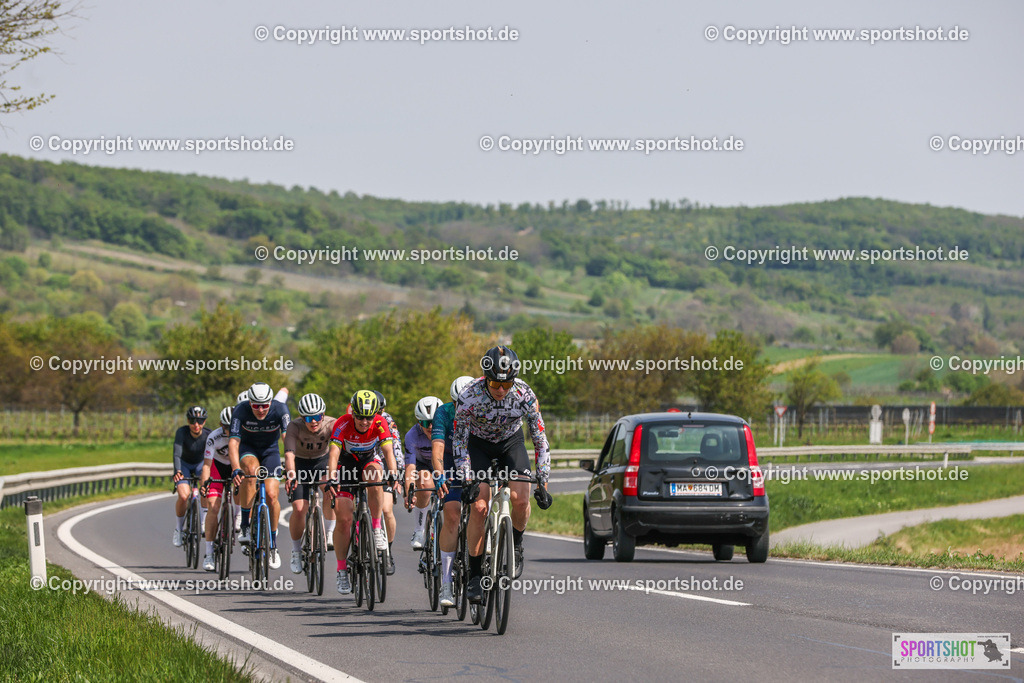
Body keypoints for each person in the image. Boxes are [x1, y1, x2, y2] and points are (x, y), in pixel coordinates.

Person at [454, 347, 553, 604]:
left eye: (506, 383)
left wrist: (543, 480)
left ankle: (516, 544)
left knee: (521, 499)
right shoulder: (469, 396)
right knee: (479, 507)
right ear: (486, 378)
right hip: (478, 445)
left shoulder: (524, 394)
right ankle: (475, 575)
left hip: (511, 442)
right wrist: (467, 479)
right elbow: (460, 441)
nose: (500, 389)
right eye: (495, 383)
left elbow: (539, 438)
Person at [327, 389, 396, 594]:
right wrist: (331, 478)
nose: (365, 422)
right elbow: (333, 454)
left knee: (376, 476)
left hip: (368, 462)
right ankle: (341, 570)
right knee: (344, 519)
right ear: (353, 413)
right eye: (360, 417)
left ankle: (376, 527)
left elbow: (388, 451)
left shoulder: (380, 423)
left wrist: (393, 473)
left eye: (369, 417)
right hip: (346, 467)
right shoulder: (342, 423)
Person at [229, 382, 290, 570]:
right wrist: (235, 468)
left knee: (272, 495)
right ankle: (245, 525)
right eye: (256, 405)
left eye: (265, 405)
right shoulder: (240, 410)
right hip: (248, 449)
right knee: (251, 471)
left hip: (270, 451)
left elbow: (288, 441)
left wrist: (291, 469)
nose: (261, 410)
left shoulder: (280, 409)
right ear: (250, 403)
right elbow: (233, 443)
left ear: (271, 402)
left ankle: (273, 545)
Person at [432, 376, 474, 608]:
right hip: (449, 461)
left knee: (482, 505)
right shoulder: (444, 413)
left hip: (474, 460)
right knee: (452, 513)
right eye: (458, 403)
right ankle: (446, 582)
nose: (463, 407)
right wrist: (439, 474)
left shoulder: (482, 410)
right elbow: (437, 448)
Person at [283, 393, 337, 574]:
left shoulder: (331, 424)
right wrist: (291, 475)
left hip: (322, 462)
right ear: (301, 417)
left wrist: (335, 474)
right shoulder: (294, 426)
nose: (313, 421)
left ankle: (329, 532)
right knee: (299, 508)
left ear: (323, 414)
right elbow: (289, 454)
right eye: (308, 418)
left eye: (317, 417)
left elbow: (338, 450)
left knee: (330, 490)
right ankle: (296, 551)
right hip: (300, 465)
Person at [199, 406, 237, 571]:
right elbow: (206, 466)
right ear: (221, 425)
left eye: (233, 427)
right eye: (227, 427)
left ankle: (239, 518)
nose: (230, 431)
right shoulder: (213, 437)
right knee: (213, 506)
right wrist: (204, 485)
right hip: (217, 467)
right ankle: (209, 553)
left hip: (236, 467)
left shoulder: (243, 434)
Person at [404, 396, 444, 550]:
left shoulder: (449, 429)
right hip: (423, 465)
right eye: (426, 423)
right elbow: (410, 467)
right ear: (419, 422)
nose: (431, 427)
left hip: (443, 462)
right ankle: (419, 530)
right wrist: (409, 492)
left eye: (435, 422)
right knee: (425, 482)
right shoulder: (412, 435)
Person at [172, 406, 211, 547]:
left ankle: (203, 522)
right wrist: (178, 471)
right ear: (188, 421)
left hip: (201, 465)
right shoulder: (181, 432)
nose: (196, 424)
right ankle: (179, 529)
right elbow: (177, 454)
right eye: (193, 421)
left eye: (200, 421)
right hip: (184, 465)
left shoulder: (208, 434)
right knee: (183, 496)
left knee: (205, 489)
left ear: (204, 422)